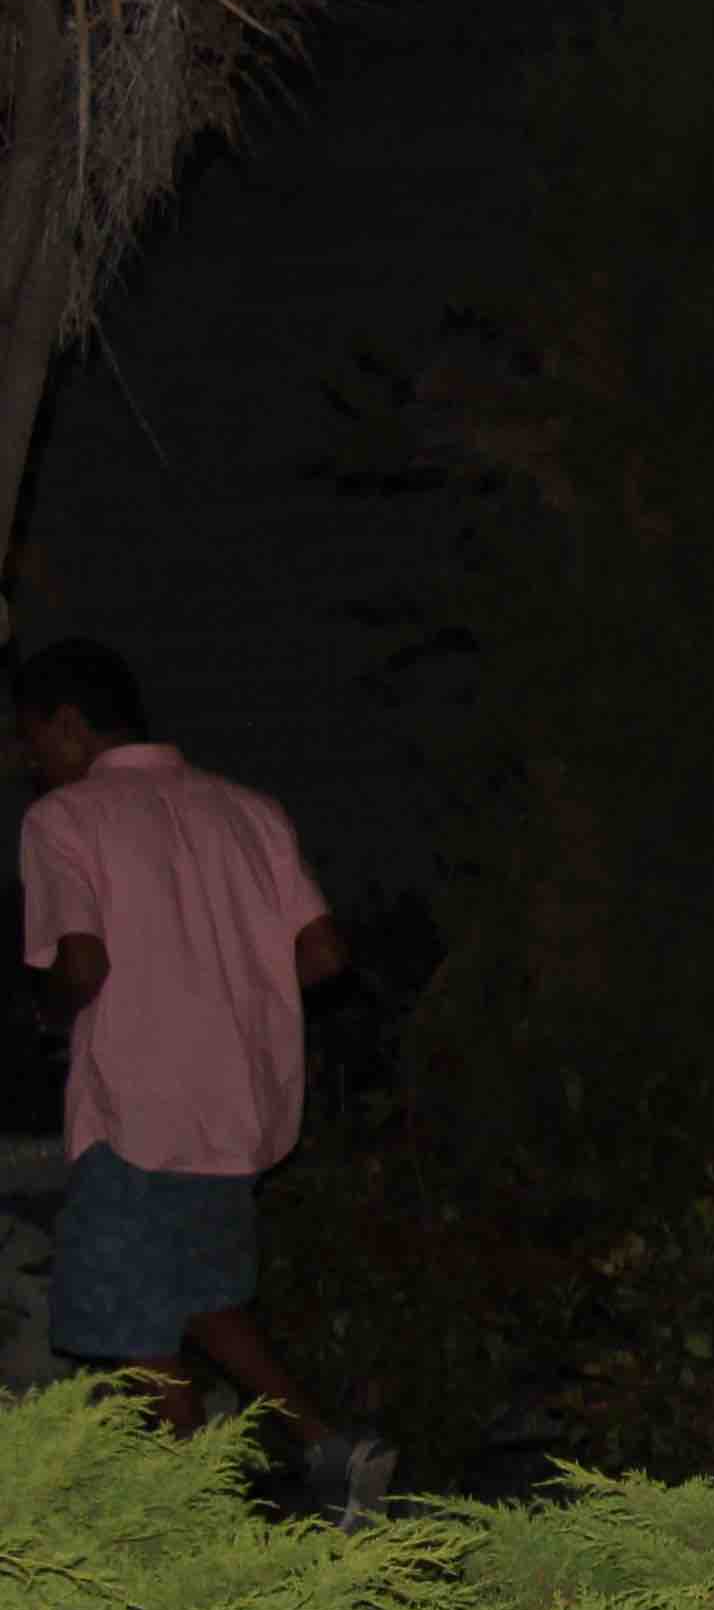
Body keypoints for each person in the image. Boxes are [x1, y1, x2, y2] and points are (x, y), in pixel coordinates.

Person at [14, 642, 372, 1504]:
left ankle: (206, 1527)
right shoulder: (248, 810)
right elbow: (324, 954)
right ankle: (338, 1457)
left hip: (137, 1116)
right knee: (201, 1306)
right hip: (237, 1114)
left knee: (127, 1332)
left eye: (30, 738)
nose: (28, 761)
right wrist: (222, 998)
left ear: (68, 725)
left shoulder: (65, 819)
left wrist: (50, 1011)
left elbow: (82, 965)